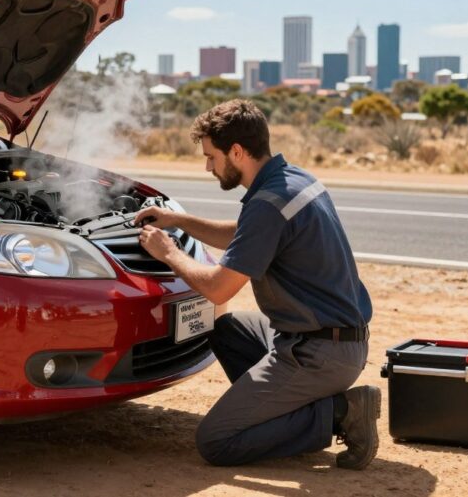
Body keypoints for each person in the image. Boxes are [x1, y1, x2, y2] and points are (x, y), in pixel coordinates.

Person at [135, 99, 380, 469]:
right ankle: (287, 414)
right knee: (227, 330)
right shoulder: (292, 180)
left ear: (236, 151)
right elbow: (245, 235)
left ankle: (340, 412)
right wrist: (178, 220)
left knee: (215, 441)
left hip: (319, 354)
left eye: (211, 157)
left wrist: (168, 253)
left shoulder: (268, 203)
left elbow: (218, 289)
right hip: (335, 338)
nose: (208, 167)